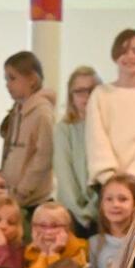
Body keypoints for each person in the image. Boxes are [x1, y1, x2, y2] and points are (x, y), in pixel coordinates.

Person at [87, 30, 135, 191]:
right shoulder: (100, 94)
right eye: (124, 51)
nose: (130, 56)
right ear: (115, 55)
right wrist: (109, 175)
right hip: (106, 183)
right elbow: (96, 136)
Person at [0, 51, 55, 209]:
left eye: (12, 78)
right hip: (13, 194)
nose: (7, 84)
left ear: (32, 79)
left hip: (31, 199)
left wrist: (23, 190)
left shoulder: (42, 112)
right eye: (6, 79)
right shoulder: (18, 110)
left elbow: (43, 156)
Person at [56, 66, 104, 232]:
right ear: (71, 95)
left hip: (103, 208)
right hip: (73, 212)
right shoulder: (64, 128)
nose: (86, 96)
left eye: (91, 90)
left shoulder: (106, 125)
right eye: (79, 91)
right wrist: (81, 212)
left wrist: (94, 207)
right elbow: (64, 175)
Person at [86, 175, 135, 268]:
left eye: (123, 199)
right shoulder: (93, 243)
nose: (115, 205)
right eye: (109, 199)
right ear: (101, 204)